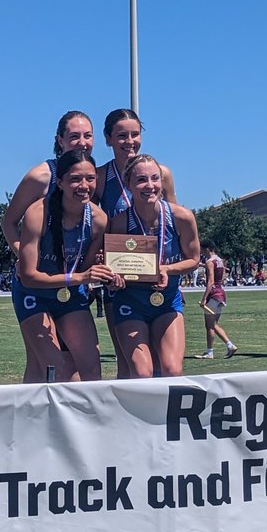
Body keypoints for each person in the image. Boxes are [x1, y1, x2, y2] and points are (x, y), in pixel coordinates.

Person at [2, 111, 94, 383]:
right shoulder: (42, 176)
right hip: (37, 284)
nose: (82, 142)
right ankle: (31, 421)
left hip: (69, 285)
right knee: (50, 364)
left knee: (57, 365)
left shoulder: (90, 173)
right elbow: (8, 223)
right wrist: (27, 258)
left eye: (87, 136)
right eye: (74, 136)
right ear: (59, 140)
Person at [15, 149, 115, 382]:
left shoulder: (99, 220)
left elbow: (89, 268)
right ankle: (34, 417)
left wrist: (109, 273)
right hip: (34, 293)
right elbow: (29, 276)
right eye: (75, 179)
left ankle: (88, 418)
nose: (84, 185)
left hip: (69, 294)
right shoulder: (38, 213)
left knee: (91, 369)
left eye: (90, 178)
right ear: (59, 183)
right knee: (53, 366)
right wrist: (79, 278)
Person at [94, 109, 178, 379]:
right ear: (108, 139)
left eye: (135, 134)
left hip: (160, 283)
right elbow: (93, 224)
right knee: (128, 364)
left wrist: (171, 269)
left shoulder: (159, 172)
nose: (129, 141)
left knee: (164, 366)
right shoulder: (99, 177)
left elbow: (172, 219)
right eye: (121, 136)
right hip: (122, 283)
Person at [107, 154, 200, 379]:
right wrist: (114, 277)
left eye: (155, 179)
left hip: (166, 301)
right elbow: (113, 265)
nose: (150, 186)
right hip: (131, 302)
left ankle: (166, 415)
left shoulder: (181, 217)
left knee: (172, 370)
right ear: (128, 184)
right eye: (141, 180)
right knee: (141, 373)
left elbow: (194, 259)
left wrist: (167, 270)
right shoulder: (120, 222)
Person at [193, 239, 237, 359]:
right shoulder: (220, 260)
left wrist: (204, 298)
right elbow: (219, 276)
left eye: (202, 249)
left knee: (210, 325)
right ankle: (228, 345)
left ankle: (211, 351)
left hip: (213, 294)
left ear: (206, 249)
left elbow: (211, 281)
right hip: (221, 293)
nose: (201, 251)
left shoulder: (209, 261)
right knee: (214, 324)